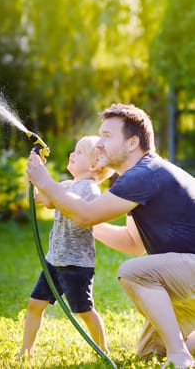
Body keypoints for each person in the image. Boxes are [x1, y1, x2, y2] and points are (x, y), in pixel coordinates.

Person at [26, 103, 195, 369]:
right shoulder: (137, 178)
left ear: (132, 143)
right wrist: (79, 220)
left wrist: (45, 182)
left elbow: (86, 215)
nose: (100, 144)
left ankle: (179, 356)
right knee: (149, 353)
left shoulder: (144, 174)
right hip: (186, 274)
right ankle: (181, 347)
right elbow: (134, 244)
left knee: (134, 272)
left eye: (106, 136)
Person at [17, 135, 113, 359]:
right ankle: (26, 350)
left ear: (93, 165)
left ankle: (102, 349)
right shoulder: (66, 185)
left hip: (76, 264)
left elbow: (73, 207)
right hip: (54, 259)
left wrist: (47, 183)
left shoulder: (89, 189)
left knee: (84, 310)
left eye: (79, 152)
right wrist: (35, 175)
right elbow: (45, 199)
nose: (72, 154)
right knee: (34, 303)